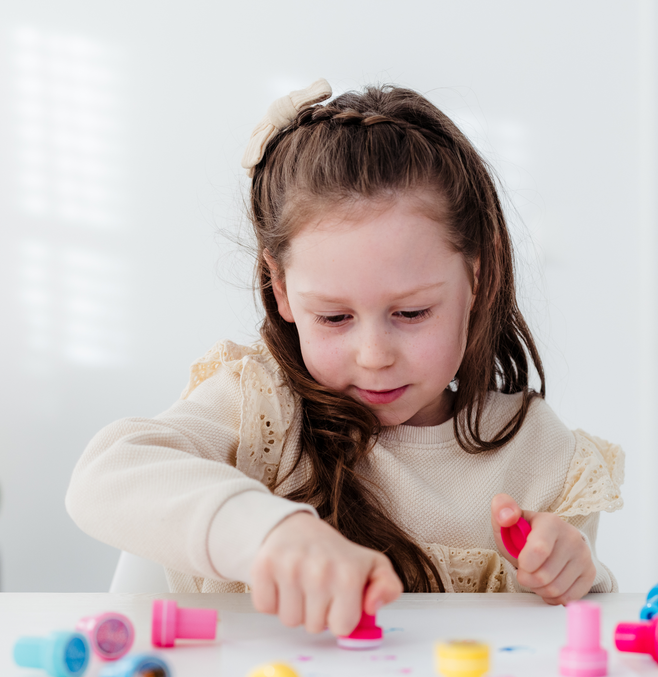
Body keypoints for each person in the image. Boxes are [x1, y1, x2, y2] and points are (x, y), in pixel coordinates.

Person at [65, 78, 624, 638]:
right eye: (334, 318)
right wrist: (270, 534)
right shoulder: (260, 411)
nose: (374, 355)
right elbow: (106, 474)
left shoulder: (541, 454)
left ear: (475, 278)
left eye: (411, 313)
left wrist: (579, 572)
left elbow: (560, 644)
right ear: (281, 289)